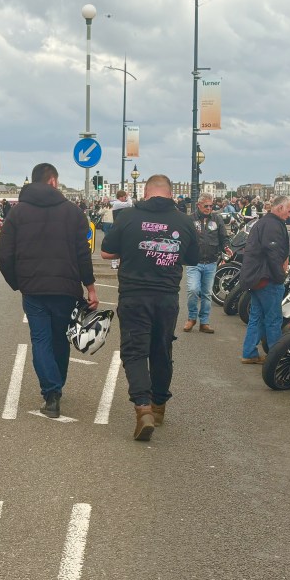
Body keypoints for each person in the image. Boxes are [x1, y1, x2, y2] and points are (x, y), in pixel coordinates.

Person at [101, 173, 199, 440]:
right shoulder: (184, 221)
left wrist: (135, 249)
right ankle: (159, 407)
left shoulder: (128, 217)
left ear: (145, 193)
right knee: (161, 349)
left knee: (134, 352)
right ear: (170, 193)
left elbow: (106, 252)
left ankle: (142, 407)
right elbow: (192, 257)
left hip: (134, 295)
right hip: (166, 297)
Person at [0, 163, 98, 419]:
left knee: (40, 339)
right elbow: (83, 253)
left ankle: (51, 393)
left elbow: (3, 253)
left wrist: (18, 282)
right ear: (53, 181)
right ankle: (57, 385)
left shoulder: (17, 213)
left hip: (33, 290)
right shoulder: (73, 212)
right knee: (60, 338)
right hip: (66, 289)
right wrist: (91, 287)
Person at [235, 195, 290, 364]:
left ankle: (249, 353)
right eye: (289, 210)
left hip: (256, 278)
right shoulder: (273, 225)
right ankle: (275, 359)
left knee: (256, 316)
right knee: (273, 319)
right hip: (267, 279)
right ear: (280, 208)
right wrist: (280, 277)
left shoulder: (263, 223)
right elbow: (273, 254)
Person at [184, 194, 226, 333]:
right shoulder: (190, 219)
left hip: (211, 262)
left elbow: (223, 238)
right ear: (199, 205)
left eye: (211, 206)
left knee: (207, 294)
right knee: (193, 290)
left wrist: (226, 250)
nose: (209, 208)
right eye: (206, 206)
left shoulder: (217, 219)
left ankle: (204, 322)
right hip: (194, 262)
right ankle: (191, 318)